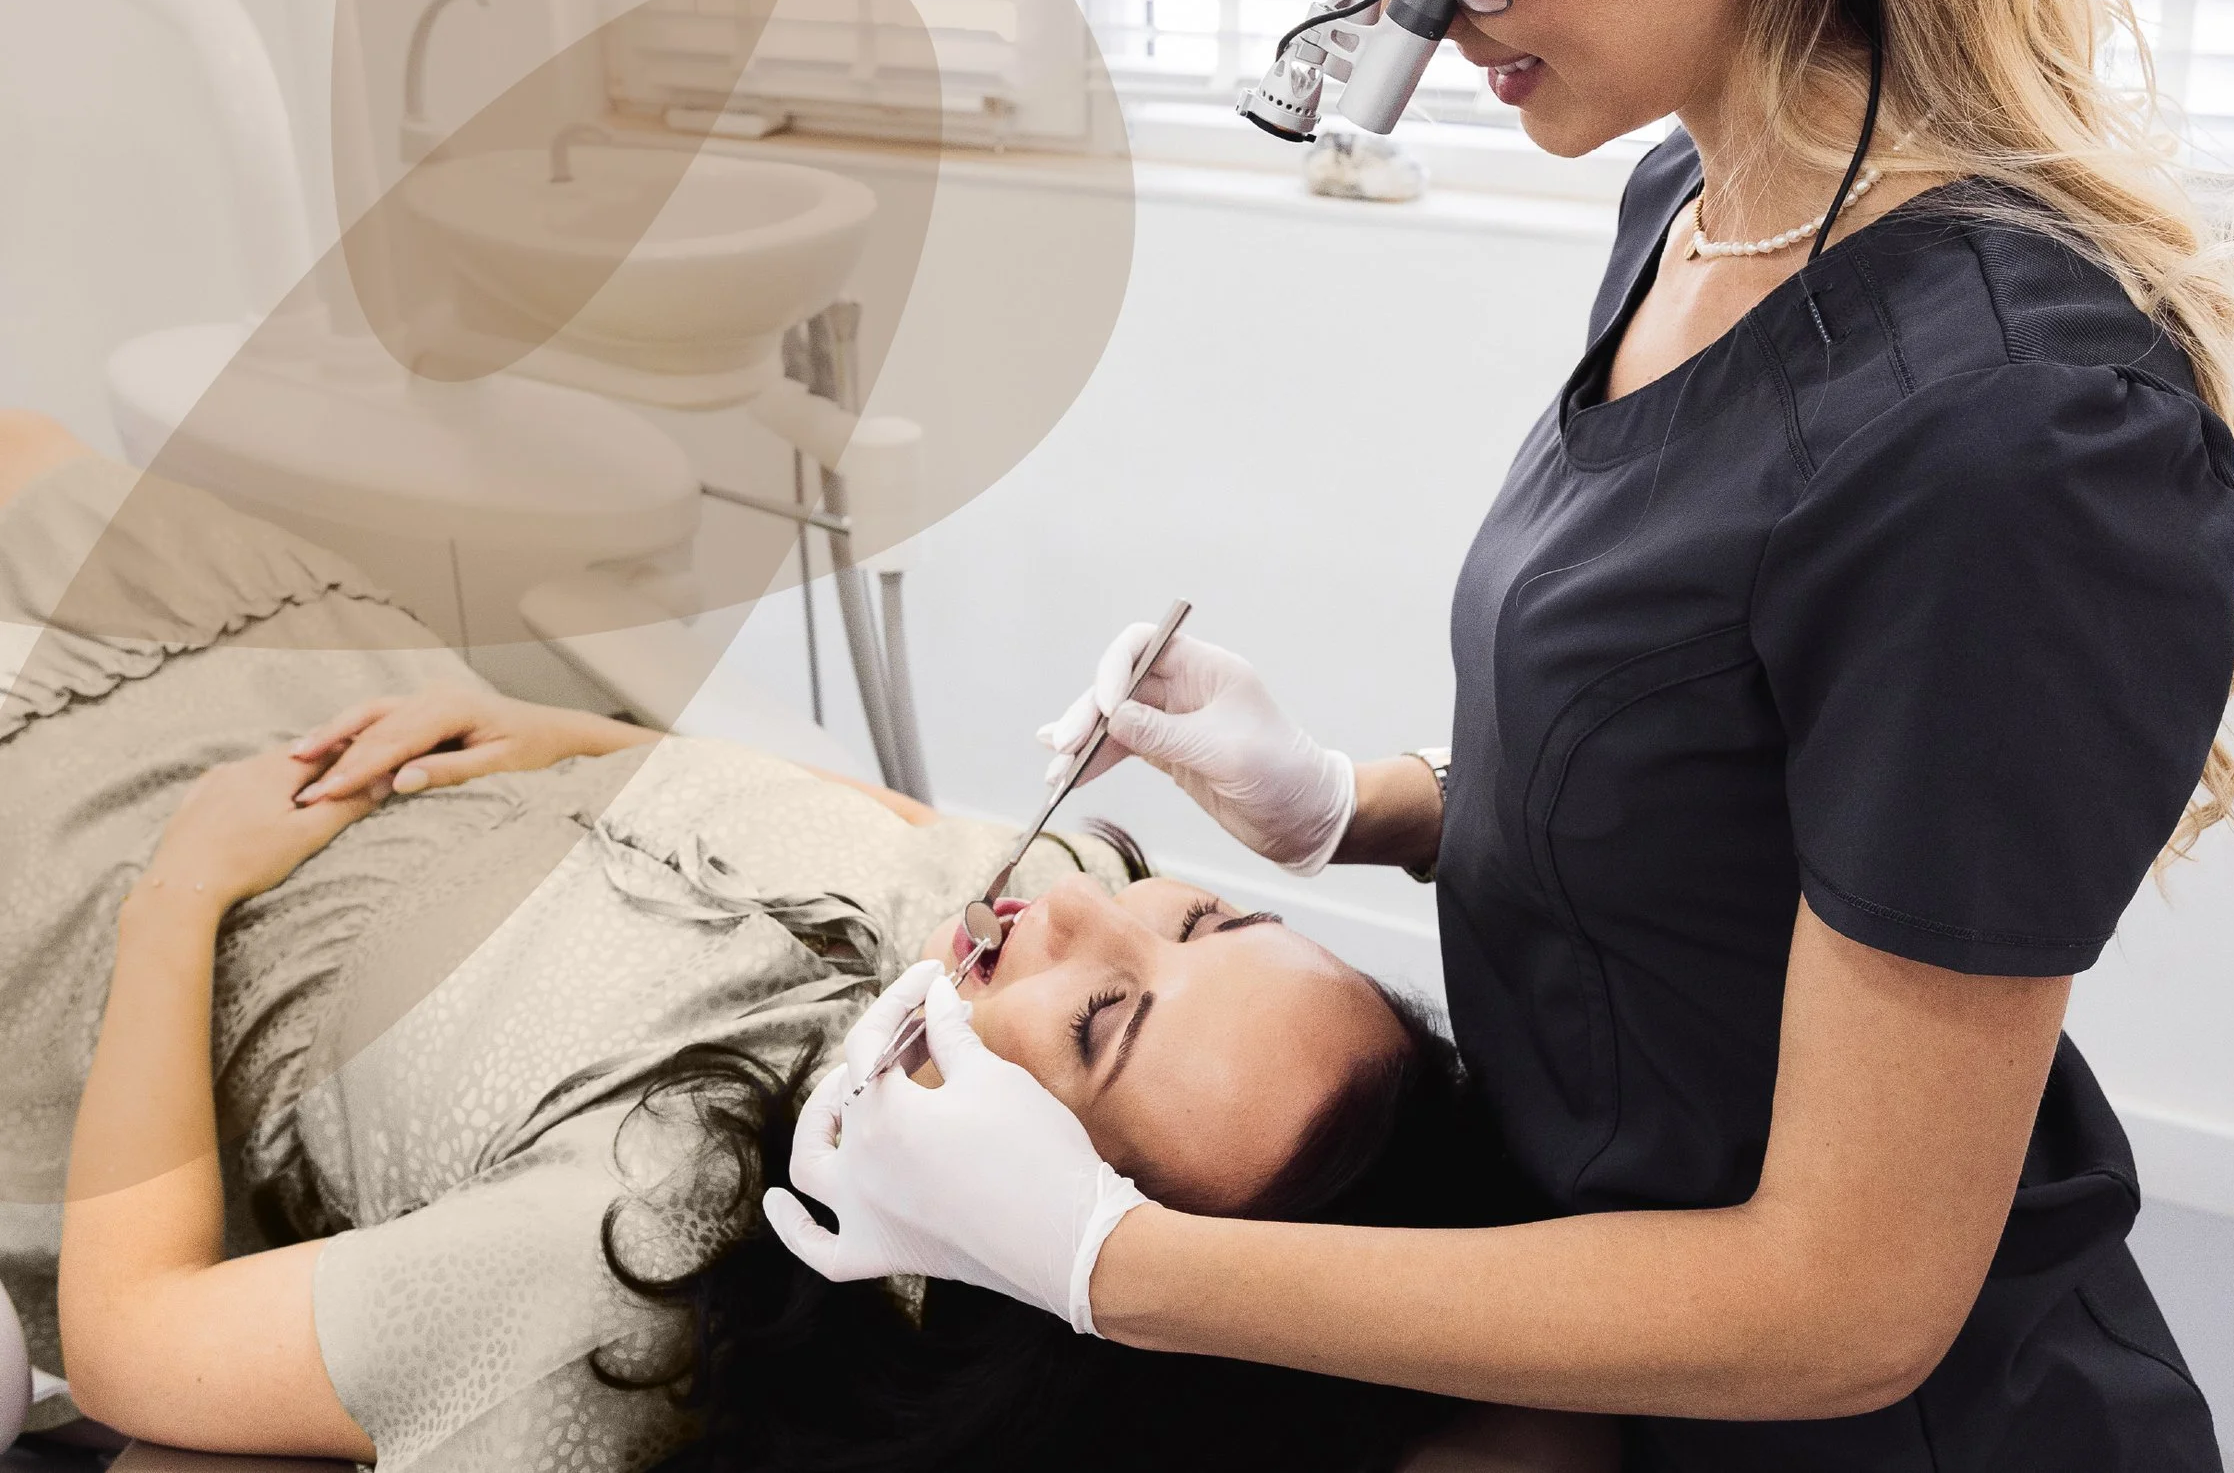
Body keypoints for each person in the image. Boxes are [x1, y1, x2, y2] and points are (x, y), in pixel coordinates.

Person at [769, 0, 2234, 1473]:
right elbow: (1716, 791)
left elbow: (1847, 1302)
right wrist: (1352, 798)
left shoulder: (2004, 434)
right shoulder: (1690, 205)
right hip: (1608, 1356)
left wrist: (1103, 1260)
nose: (1407, 21)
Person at [0, 411, 1529, 1473]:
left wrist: (176, 900)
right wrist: (571, 735)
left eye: (1100, 1022)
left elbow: (136, 1342)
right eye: (1201, 912)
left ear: (1002, 1230)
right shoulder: (1039, 892)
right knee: (36, 455)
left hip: (106, 858)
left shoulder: (635, 1261)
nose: (1067, 908)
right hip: (343, 696)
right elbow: (873, 825)